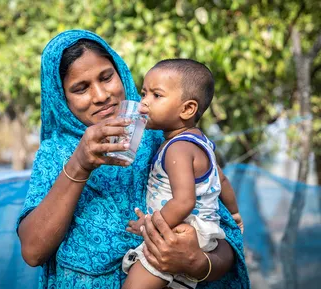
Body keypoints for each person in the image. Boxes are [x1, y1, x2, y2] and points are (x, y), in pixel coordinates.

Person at [16, 30, 250, 289]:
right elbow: (33, 251)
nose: (101, 95)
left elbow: (223, 235)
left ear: (120, 73)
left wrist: (196, 263)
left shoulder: (164, 138)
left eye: (107, 77)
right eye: (81, 88)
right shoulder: (55, 154)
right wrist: (79, 164)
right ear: (61, 99)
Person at [121, 59, 243, 289]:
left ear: (188, 109)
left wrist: (148, 227)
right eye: (144, 93)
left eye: (156, 96)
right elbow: (222, 180)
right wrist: (235, 214)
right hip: (200, 234)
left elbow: (184, 201)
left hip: (177, 235)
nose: (144, 103)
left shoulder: (177, 148)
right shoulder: (200, 144)